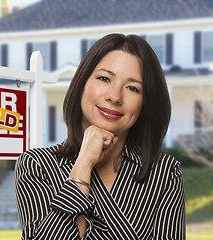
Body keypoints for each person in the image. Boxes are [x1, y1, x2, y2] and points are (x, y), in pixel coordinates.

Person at [14, 33, 185, 240]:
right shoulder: (36, 165)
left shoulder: (164, 173)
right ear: (82, 83)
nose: (114, 96)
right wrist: (84, 163)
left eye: (133, 88)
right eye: (104, 78)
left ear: (145, 103)